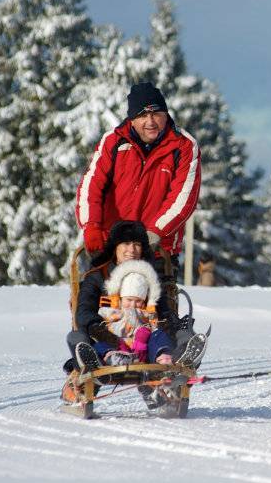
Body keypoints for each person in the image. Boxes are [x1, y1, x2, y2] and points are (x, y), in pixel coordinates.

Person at [75, 82, 202, 318]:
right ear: (132, 118)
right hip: (112, 247)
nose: (151, 121)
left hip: (157, 247)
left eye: (157, 113)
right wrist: (91, 226)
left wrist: (152, 235)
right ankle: (92, 341)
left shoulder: (183, 146)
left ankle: (165, 348)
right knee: (97, 301)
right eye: (143, 115)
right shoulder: (113, 142)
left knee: (156, 307)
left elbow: (183, 199)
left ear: (166, 114)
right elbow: (90, 187)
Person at [66, 220, 205, 373]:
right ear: (115, 247)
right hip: (107, 337)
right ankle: (93, 362)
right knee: (76, 336)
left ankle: (182, 358)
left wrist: (169, 326)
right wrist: (100, 331)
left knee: (181, 330)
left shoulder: (150, 277)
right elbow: (84, 312)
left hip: (146, 340)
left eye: (137, 244)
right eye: (125, 243)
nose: (131, 249)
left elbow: (164, 312)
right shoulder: (97, 277)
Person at [95, 258, 173, 366]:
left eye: (138, 301)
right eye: (129, 300)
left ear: (144, 301)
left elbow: (155, 328)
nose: (133, 305)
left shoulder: (146, 314)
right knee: (99, 343)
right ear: (121, 298)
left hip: (143, 351)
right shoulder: (111, 312)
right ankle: (113, 356)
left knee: (159, 335)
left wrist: (145, 335)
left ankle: (162, 356)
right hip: (117, 346)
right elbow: (100, 323)